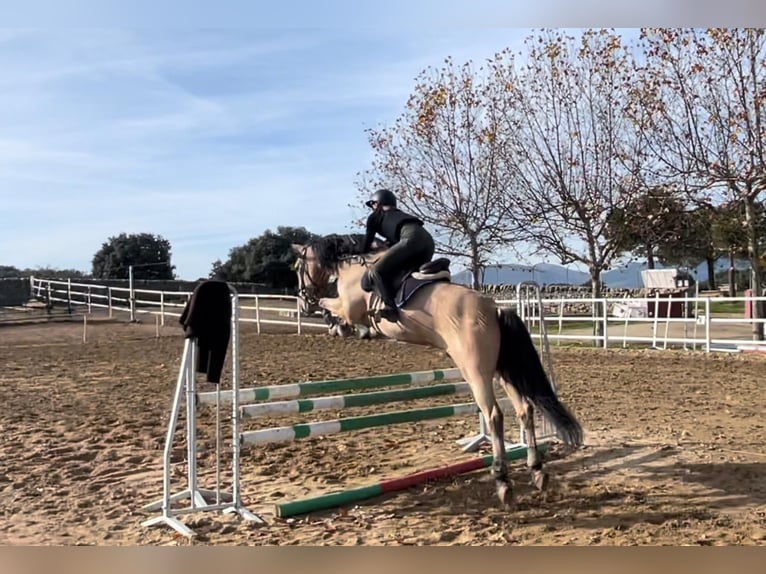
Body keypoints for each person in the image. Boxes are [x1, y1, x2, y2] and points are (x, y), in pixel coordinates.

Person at [360, 188, 435, 321]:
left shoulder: (375, 217)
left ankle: (390, 308)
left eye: (373, 204)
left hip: (410, 239)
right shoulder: (398, 215)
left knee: (375, 271)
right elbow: (395, 242)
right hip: (428, 242)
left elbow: (367, 242)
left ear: (378, 203)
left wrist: (362, 252)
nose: (372, 208)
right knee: (405, 271)